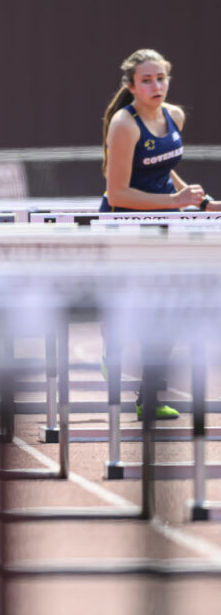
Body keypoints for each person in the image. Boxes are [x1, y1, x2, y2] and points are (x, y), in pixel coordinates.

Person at [98, 48, 207, 420]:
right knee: (128, 310)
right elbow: (118, 193)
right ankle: (111, 351)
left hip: (164, 222)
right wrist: (176, 200)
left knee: (170, 309)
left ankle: (150, 394)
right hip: (123, 223)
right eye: (147, 80)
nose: (156, 85)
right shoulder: (124, 125)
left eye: (161, 78)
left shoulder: (174, 116)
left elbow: (165, 167)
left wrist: (201, 202)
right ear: (132, 86)